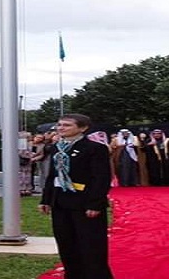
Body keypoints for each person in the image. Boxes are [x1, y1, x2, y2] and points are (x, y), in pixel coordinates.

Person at [38, 114, 113, 279]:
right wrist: (46, 199)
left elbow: (101, 178)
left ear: (83, 128)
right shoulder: (58, 147)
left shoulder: (95, 148)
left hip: (84, 202)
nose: (61, 128)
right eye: (59, 125)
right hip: (61, 202)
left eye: (67, 125)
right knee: (66, 244)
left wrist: (95, 204)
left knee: (91, 245)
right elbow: (52, 176)